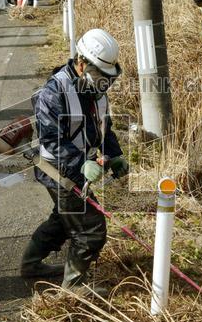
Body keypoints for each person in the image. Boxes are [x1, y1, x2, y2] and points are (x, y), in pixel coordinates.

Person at [21, 29, 127, 289]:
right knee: (90, 230)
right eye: (99, 74)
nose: (104, 82)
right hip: (57, 171)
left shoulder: (95, 91)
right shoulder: (54, 92)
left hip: (75, 169)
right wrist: (81, 163)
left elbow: (104, 129)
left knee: (63, 219)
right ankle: (74, 287)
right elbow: (51, 139)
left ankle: (31, 264)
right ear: (81, 62)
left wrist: (114, 155)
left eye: (108, 77)